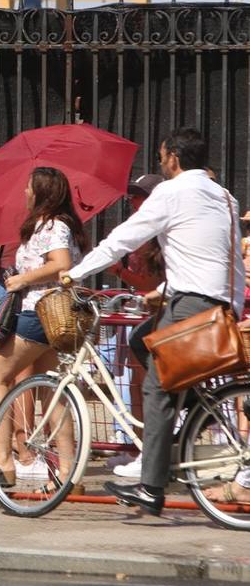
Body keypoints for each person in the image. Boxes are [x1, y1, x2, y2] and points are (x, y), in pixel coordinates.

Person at [62, 129, 249, 515]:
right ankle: (192, 413)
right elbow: (218, 256)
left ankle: (150, 487)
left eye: (162, 156)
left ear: (174, 159)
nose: (161, 164)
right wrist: (177, 293)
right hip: (214, 303)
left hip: (191, 305)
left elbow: (123, 239)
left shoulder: (171, 192)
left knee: (158, 391)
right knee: (141, 341)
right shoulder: (225, 197)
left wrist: (76, 273)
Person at [0, 166, 87, 490]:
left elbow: (61, 265)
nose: (25, 193)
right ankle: (68, 472)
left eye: (30, 188)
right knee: (50, 391)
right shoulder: (62, 225)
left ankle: (3, 463)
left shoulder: (51, 226)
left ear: (43, 192)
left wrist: (22, 278)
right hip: (54, 315)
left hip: (40, 313)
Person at [106, 173, 163, 478]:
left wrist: (119, 272)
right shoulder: (138, 230)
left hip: (153, 312)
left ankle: (148, 453)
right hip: (138, 312)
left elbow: (153, 281)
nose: (133, 201)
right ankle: (138, 447)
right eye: (132, 195)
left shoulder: (157, 235)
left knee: (145, 383)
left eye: (139, 196)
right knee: (134, 383)